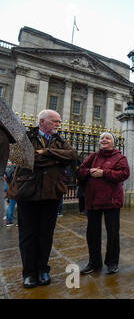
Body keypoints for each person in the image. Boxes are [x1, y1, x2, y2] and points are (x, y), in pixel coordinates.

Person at [7, 109, 76, 289]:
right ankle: (29, 273)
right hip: (28, 191)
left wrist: (44, 152)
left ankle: (42, 269)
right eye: (55, 121)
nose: (58, 125)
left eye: (59, 122)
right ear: (42, 122)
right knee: (28, 235)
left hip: (51, 192)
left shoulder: (61, 140)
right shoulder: (26, 136)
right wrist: (54, 158)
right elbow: (23, 158)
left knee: (46, 234)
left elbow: (71, 156)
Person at [78, 132, 130, 275]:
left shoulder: (120, 157)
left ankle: (112, 262)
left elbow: (124, 174)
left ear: (113, 142)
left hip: (111, 201)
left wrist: (104, 173)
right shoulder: (93, 156)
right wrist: (89, 171)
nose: (104, 140)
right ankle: (94, 262)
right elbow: (80, 171)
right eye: (102, 138)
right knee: (92, 234)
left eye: (107, 138)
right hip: (93, 200)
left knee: (113, 233)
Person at [4, 161, 17, 226]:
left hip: (11, 188)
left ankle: (9, 221)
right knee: (20, 206)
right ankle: (19, 222)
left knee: (11, 206)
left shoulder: (8, 169)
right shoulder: (17, 168)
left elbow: (7, 179)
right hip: (18, 188)